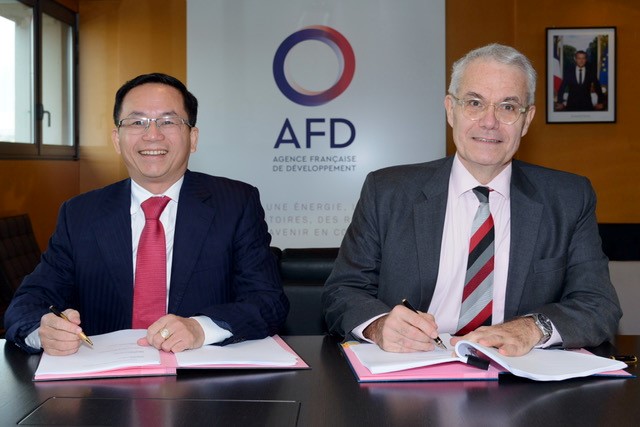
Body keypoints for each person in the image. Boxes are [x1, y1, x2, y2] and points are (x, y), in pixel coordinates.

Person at [322, 44, 621, 356]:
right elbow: (343, 291)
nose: (489, 121)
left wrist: (534, 328)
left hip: (520, 376)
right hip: (409, 372)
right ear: (451, 110)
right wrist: (379, 324)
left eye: (507, 107)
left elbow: (598, 304)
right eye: (475, 103)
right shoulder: (386, 191)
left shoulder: (569, 198)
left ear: (527, 119)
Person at [4, 73, 289, 355]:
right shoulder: (80, 214)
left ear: (193, 137)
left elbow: (268, 301)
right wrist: (44, 332)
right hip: (103, 387)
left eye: (168, 121)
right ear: (117, 139)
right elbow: (27, 303)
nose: (153, 135)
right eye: (137, 122)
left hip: (204, 384)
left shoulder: (236, 204)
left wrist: (200, 328)